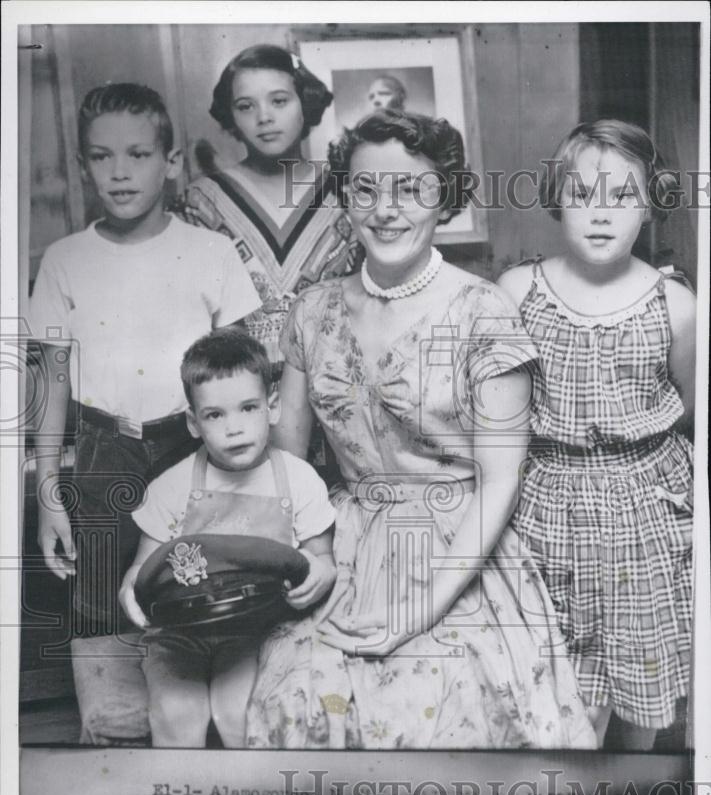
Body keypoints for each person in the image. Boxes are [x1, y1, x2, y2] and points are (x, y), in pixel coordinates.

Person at [246, 109, 597, 750]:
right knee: (296, 692)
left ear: (447, 199)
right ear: (344, 200)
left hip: (459, 549)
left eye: (412, 189)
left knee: (440, 708)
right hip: (341, 544)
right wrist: (312, 559)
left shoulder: (483, 311)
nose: (387, 209)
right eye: (366, 189)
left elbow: (499, 482)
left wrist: (421, 607)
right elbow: (287, 467)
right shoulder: (312, 309)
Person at [29, 83, 261, 740]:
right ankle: (112, 740)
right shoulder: (65, 260)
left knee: (193, 586)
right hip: (105, 454)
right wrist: (50, 492)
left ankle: (201, 747)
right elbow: (52, 382)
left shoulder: (209, 254)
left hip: (193, 453)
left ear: (172, 159)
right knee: (100, 595)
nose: (120, 171)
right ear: (82, 167)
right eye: (102, 157)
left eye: (138, 153)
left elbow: (243, 374)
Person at [498, 120, 696, 750]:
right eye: (583, 195)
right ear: (558, 198)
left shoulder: (676, 304)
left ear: (651, 203)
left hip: (647, 513)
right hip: (545, 508)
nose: (602, 214)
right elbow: (495, 419)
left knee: (645, 682)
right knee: (557, 686)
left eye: (622, 196)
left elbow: (691, 410)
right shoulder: (518, 291)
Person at [118, 329, 337, 747]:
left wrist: (321, 575)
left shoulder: (299, 479)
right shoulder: (172, 486)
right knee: (180, 714)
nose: (233, 428)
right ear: (194, 423)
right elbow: (139, 572)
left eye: (248, 408)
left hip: (254, 630)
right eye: (215, 415)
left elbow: (322, 557)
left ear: (272, 407)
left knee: (238, 713)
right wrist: (130, 592)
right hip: (177, 635)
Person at [176, 44, 363, 370]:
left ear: (305, 103)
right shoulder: (202, 201)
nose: (264, 117)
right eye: (246, 106)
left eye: (279, 101)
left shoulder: (347, 189)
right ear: (230, 116)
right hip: (238, 389)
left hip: (336, 384)